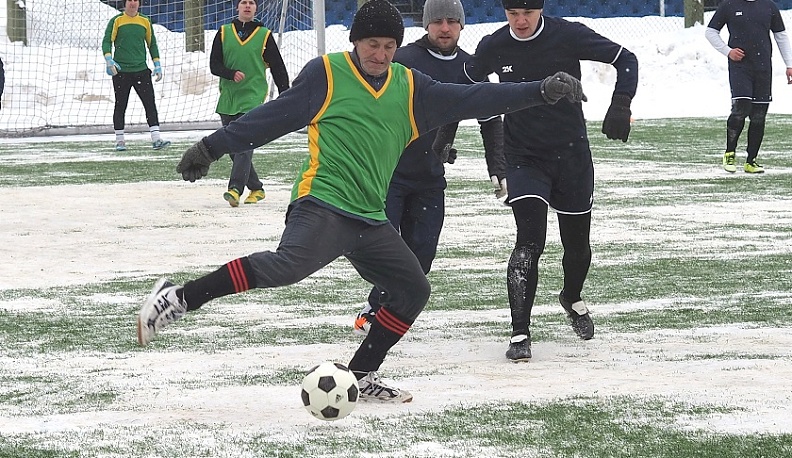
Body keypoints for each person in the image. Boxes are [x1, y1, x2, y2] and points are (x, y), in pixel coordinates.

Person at [137, 0, 585, 402]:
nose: (381, 54)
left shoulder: (411, 88)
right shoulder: (327, 73)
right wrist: (213, 147)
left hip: (370, 216)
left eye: (390, 46)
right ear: (354, 41)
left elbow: (474, 96)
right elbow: (272, 117)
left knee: (413, 290)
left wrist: (539, 90)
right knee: (287, 266)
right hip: (324, 201)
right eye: (373, 44)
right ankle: (179, 298)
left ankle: (361, 375)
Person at [455, 0, 638, 361]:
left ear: (540, 10)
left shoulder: (567, 35)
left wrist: (621, 103)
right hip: (523, 158)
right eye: (512, 14)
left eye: (528, 13)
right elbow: (469, 84)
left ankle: (571, 297)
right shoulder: (494, 45)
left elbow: (626, 59)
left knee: (577, 246)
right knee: (528, 243)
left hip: (571, 156)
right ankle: (520, 333)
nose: (520, 21)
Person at [352, 0, 507, 335]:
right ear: (426, 25)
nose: (445, 28)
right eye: (438, 21)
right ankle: (375, 311)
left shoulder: (471, 69)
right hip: (386, 175)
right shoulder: (403, 59)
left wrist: (498, 166)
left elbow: (490, 119)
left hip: (429, 177)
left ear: (462, 25)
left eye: (452, 21)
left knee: (421, 256)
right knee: (386, 250)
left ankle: (384, 308)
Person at [210, 0, 290, 207]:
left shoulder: (264, 35)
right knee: (232, 145)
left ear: (256, 8)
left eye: (251, 3)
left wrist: (287, 95)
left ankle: (235, 188)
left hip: (253, 95)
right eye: (244, 2)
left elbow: (278, 67)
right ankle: (256, 187)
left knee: (244, 142)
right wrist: (230, 73)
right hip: (229, 96)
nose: (247, 6)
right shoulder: (223, 32)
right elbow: (214, 64)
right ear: (237, 7)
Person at [705, 0, 792, 174]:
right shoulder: (729, 5)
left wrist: (789, 65)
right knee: (741, 107)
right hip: (740, 67)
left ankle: (751, 160)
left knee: (759, 114)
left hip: (763, 67)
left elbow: (780, 36)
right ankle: (730, 152)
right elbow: (710, 32)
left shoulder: (769, 6)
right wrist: (728, 51)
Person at [102, 0, 170, 151]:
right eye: (129, 0)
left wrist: (157, 64)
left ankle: (156, 139)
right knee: (121, 105)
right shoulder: (116, 21)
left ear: (139, 3)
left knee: (150, 104)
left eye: (135, 0)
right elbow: (107, 41)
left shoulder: (145, 21)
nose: (132, 3)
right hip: (121, 73)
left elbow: (152, 44)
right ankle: (120, 141)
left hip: (141, 71)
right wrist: (109, 60)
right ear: (125, 3)